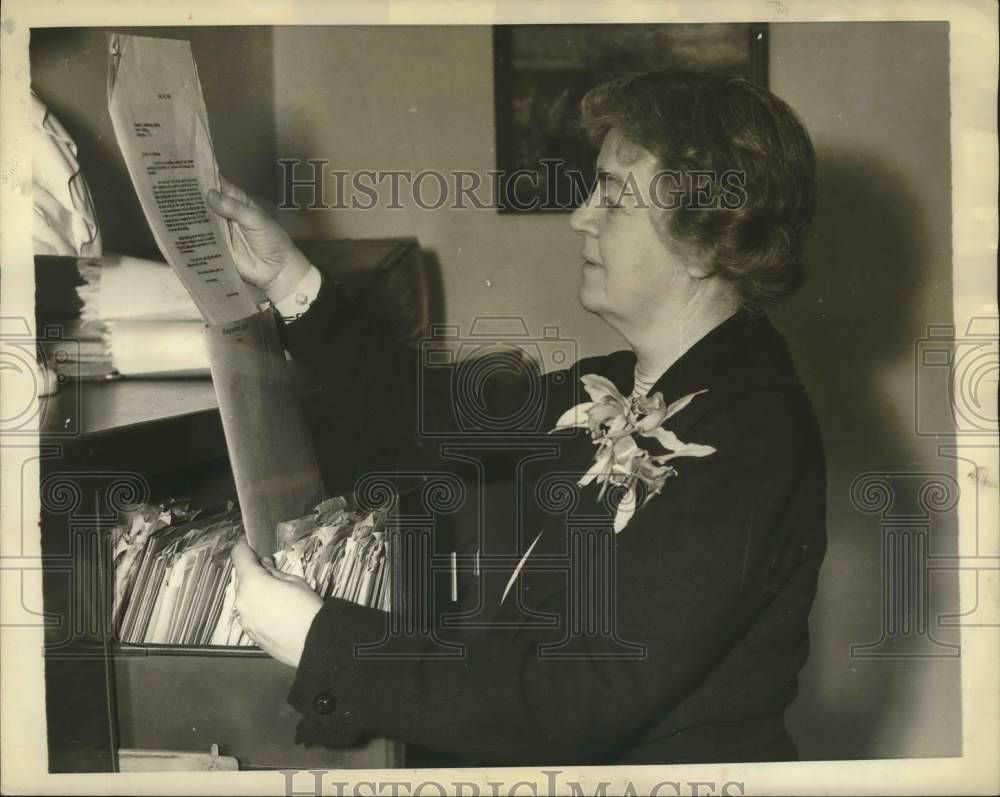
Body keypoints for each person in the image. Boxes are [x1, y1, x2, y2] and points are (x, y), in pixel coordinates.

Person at [207, 70, 826, 766]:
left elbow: (578, 698)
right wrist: (288, 276)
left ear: (707, 235)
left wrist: (321, 638)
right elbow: (424, 415)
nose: (580, 216)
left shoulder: (751, 434)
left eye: (613, 197)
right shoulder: (626, 382)